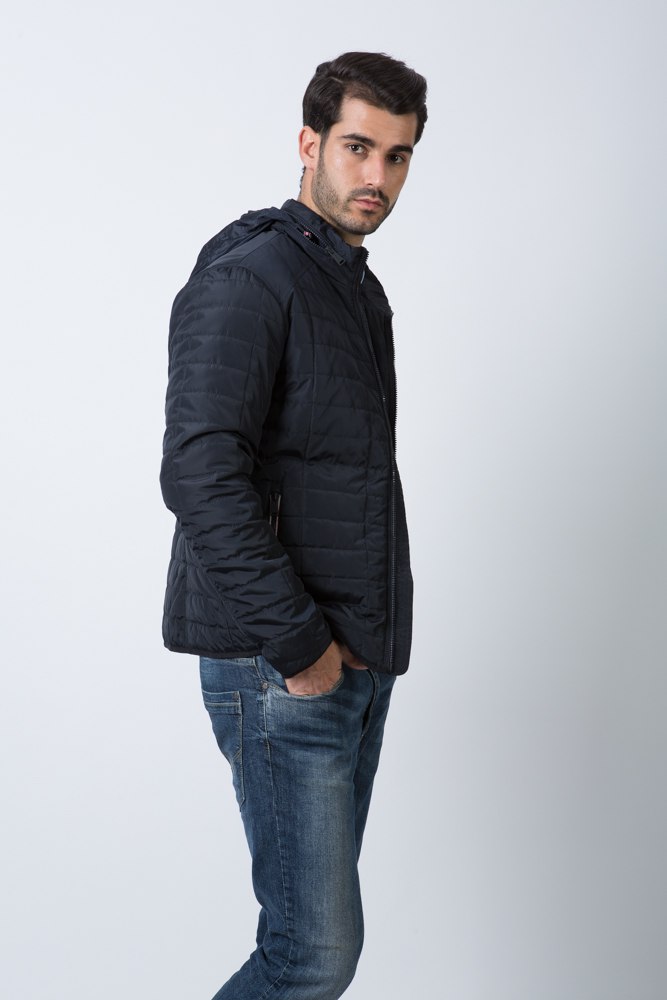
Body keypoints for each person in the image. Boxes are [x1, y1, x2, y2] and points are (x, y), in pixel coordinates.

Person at [160, 51, 427, 1000]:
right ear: (308, 144)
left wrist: (356, 655)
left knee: (308, 950)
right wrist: (301, 646)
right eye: (357, 147)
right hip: (282, 668)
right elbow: (199, 473)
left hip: (346, 662)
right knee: (309, 957)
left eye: (396, 156)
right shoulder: (253, 277)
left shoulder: (351, 287)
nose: (376, 176)